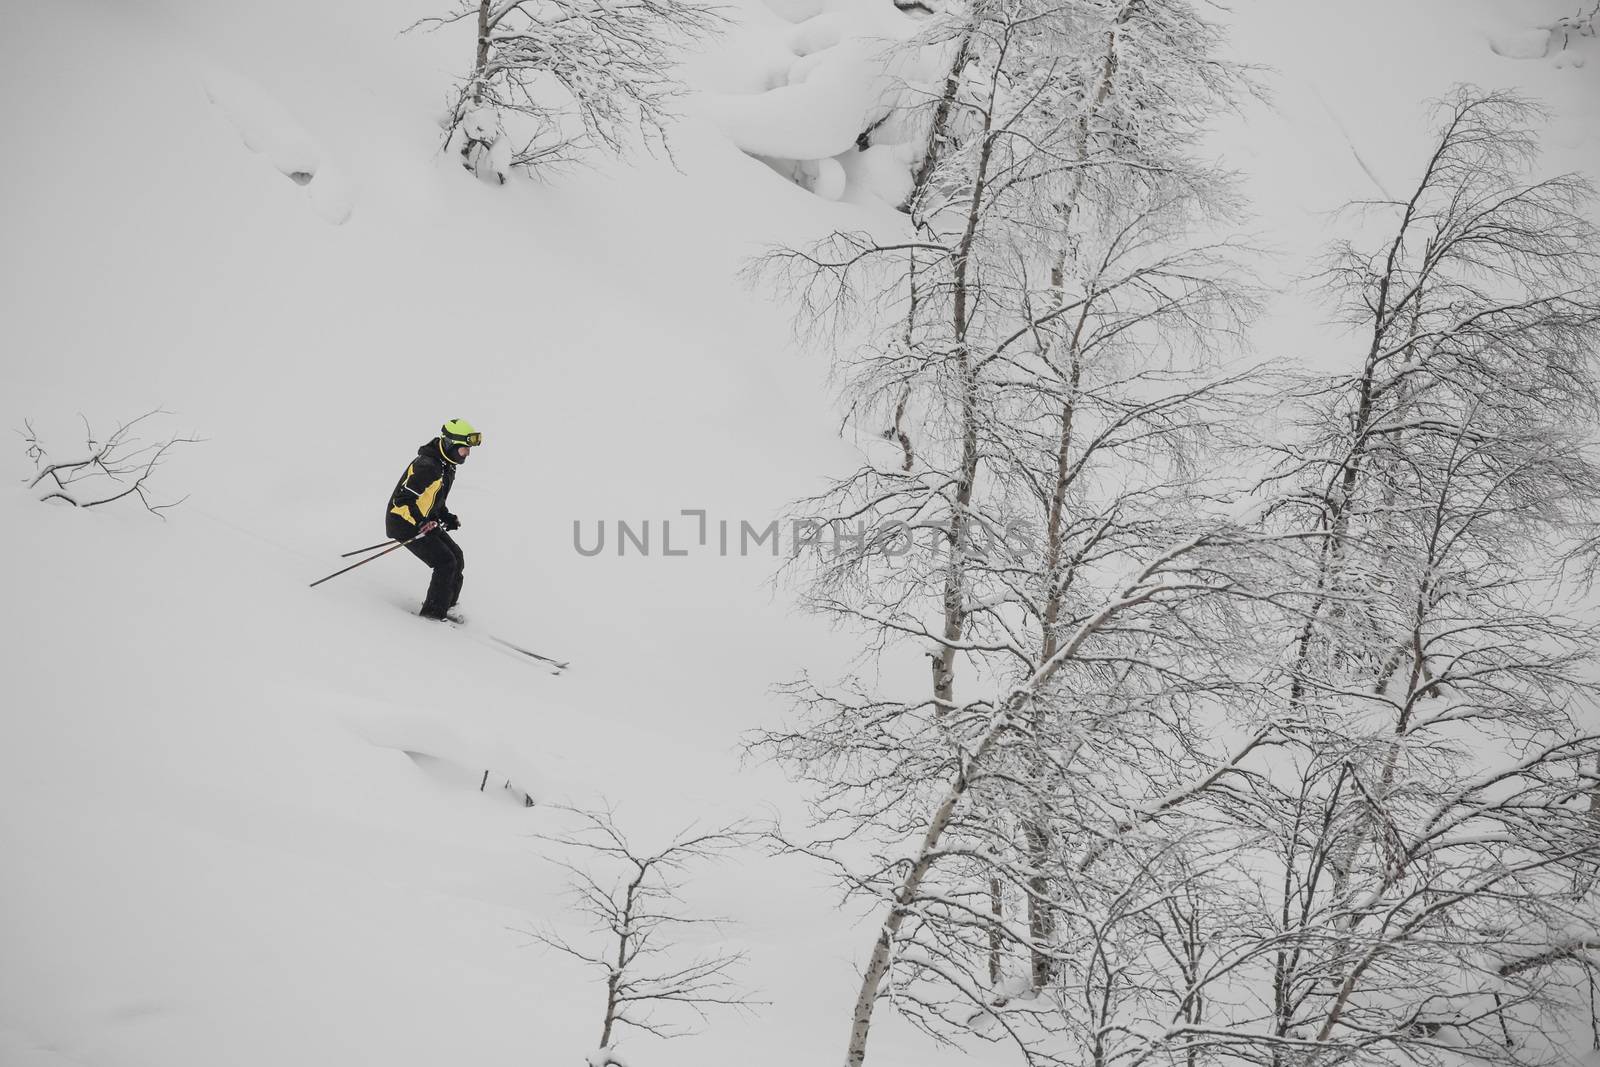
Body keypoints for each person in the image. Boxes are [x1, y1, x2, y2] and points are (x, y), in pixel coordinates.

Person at [386, 419, 482, 620]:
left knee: (457, 556)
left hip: (423, 520)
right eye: (464, 449)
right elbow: (402, 501)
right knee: (445, 562)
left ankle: (446, 606)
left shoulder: (447, 465)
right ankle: (431, 616)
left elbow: (433, 499)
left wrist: (445, 516)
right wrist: (421, 523)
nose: (468, 454)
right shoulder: (427, 466)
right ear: (450, 444)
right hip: (403, 522)